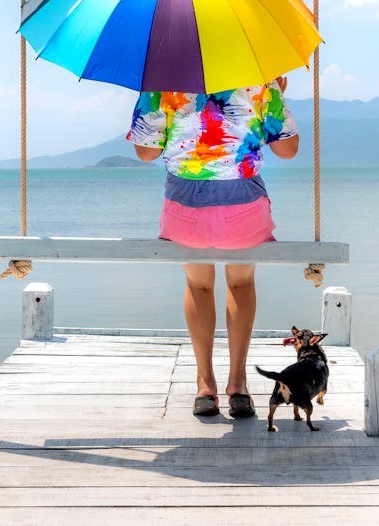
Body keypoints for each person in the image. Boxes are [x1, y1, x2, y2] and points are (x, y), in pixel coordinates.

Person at [127, 76, 299, 417]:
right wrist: (275, 94)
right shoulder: (259, 77)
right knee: (240, 282)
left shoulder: (164, 78)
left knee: (198, 284)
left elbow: (146, 153)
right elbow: (287, 150)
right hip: (244, 212)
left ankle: (206, 385)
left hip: (184, 212)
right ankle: (238, 384)